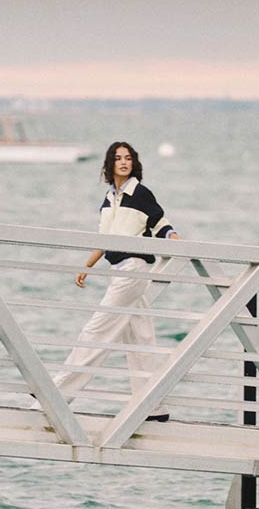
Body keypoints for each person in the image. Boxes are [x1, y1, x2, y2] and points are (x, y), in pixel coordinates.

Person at [54, 141, 179, 418]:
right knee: (140, 338)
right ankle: (153, 406)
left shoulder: (140, 193)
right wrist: (87, 266)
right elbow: (104, 238)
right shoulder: (109, 199)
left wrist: (174, 239)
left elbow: (160, 223)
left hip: (133, 268)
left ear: (134, 163)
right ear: (110, 164)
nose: (124, 162)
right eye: (118, 158)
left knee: (96, 329)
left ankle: (58, 390)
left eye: (128, 158)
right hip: (119, 269)